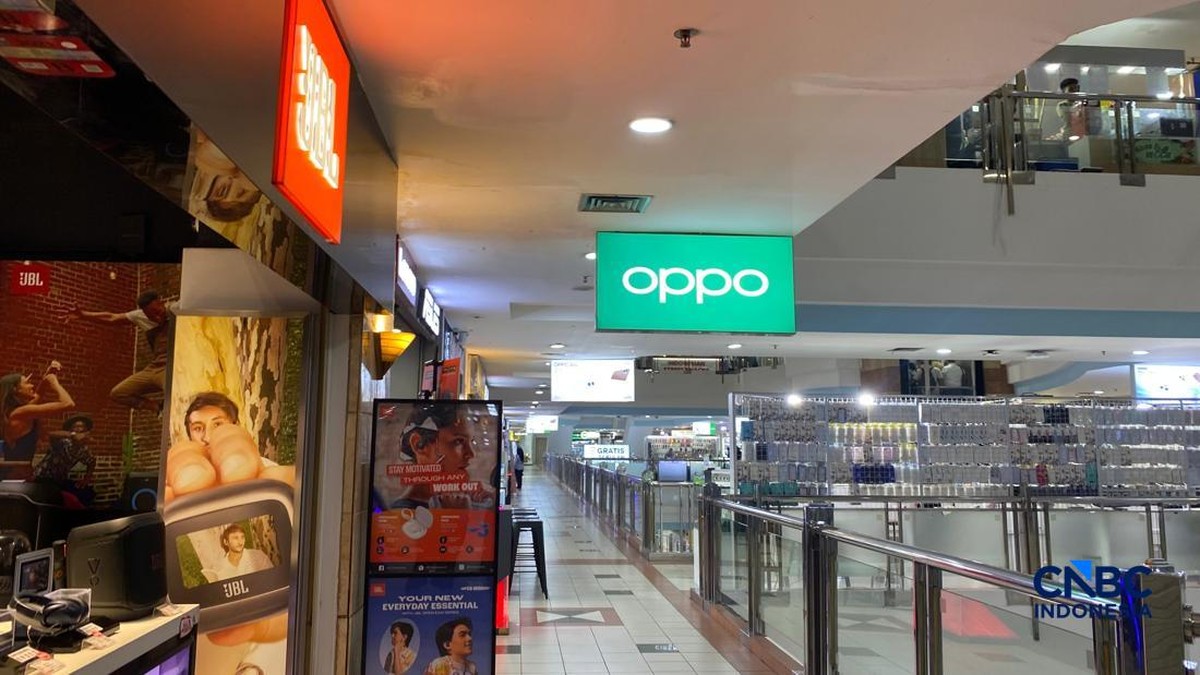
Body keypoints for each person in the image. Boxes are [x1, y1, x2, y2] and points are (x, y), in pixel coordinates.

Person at [65, 290, 175, 413]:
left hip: (171, 366)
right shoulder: (140, 316)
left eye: (158, 312)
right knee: (118, 393)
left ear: (161, 303)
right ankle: (158, 408)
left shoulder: (175, 310)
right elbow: (112, 317)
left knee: (173, 391)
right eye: (151, 316)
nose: (156, 318)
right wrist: (83, 315)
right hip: (154, 367)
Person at [387, 403, 494, 510]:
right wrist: (456, 514)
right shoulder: (403, 513)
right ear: (419, 445)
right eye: (458, 441)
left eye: (471, 441)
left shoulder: (465, 499)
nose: (471, 454)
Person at [0, 363, 75, 463]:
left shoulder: (18, 411)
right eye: (27, 383)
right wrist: (54, 382)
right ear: (15, 389)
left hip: (19, 470)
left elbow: (39, 394)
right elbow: (68, 404)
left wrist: (47, 376)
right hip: (17, 471)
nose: (32, 385)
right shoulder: (21, 412)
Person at [33, 414, 97, 506]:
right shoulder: (63, 442)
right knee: (57, 500)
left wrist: (87, 478)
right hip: (43, 478)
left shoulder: (84, 450)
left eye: (82, 427)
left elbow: (92, 462)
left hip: (60, 480)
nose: (79, 429)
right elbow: (51, 435)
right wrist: (72, 435)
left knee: (88, 493)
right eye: (76, 427)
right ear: (70, 430)